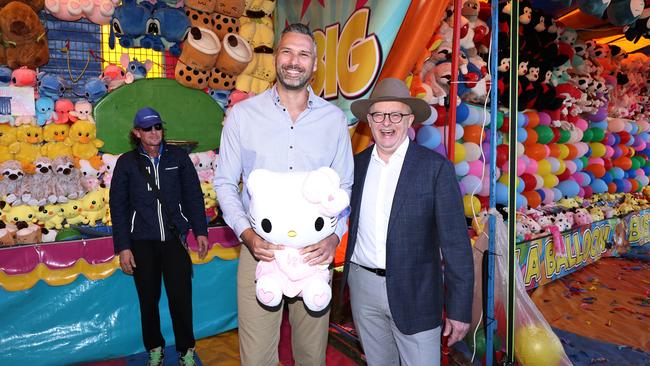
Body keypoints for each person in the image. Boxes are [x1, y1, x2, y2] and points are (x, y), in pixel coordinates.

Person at [214, 23, 353, 365]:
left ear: (315, 64)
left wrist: (334, 238)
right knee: (257, 357)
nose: (295, 61)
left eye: (304, 54)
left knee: (311, 354)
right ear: (276, 57)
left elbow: (344, 187)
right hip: (261, 250)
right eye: (288, 52)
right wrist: (246, 235)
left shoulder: (334, 121)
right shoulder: (242, 115)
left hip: (314, 255)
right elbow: (224, 183)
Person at [343, 78, 474, 366]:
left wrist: (459, 308)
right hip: (363, 288)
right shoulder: (356, 165)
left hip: (417, 290)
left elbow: (456, 244)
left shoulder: (436, 168)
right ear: (369, 120)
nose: (387, 122)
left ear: (410, 119)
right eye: (378, 114)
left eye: (396, 114)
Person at [110, 107, 209, 366]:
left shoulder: (178, 157)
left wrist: (200, 230)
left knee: (181, 299)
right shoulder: (127, 163)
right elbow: (118, 206)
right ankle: (155, 348)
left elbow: (193, 196)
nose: (154, 132)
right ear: (136, 132)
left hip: (175, 240)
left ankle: (186, 350)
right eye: (147, 128)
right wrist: (123, 247)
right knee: (148, 300)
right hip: (141, 243)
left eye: (157, 127)